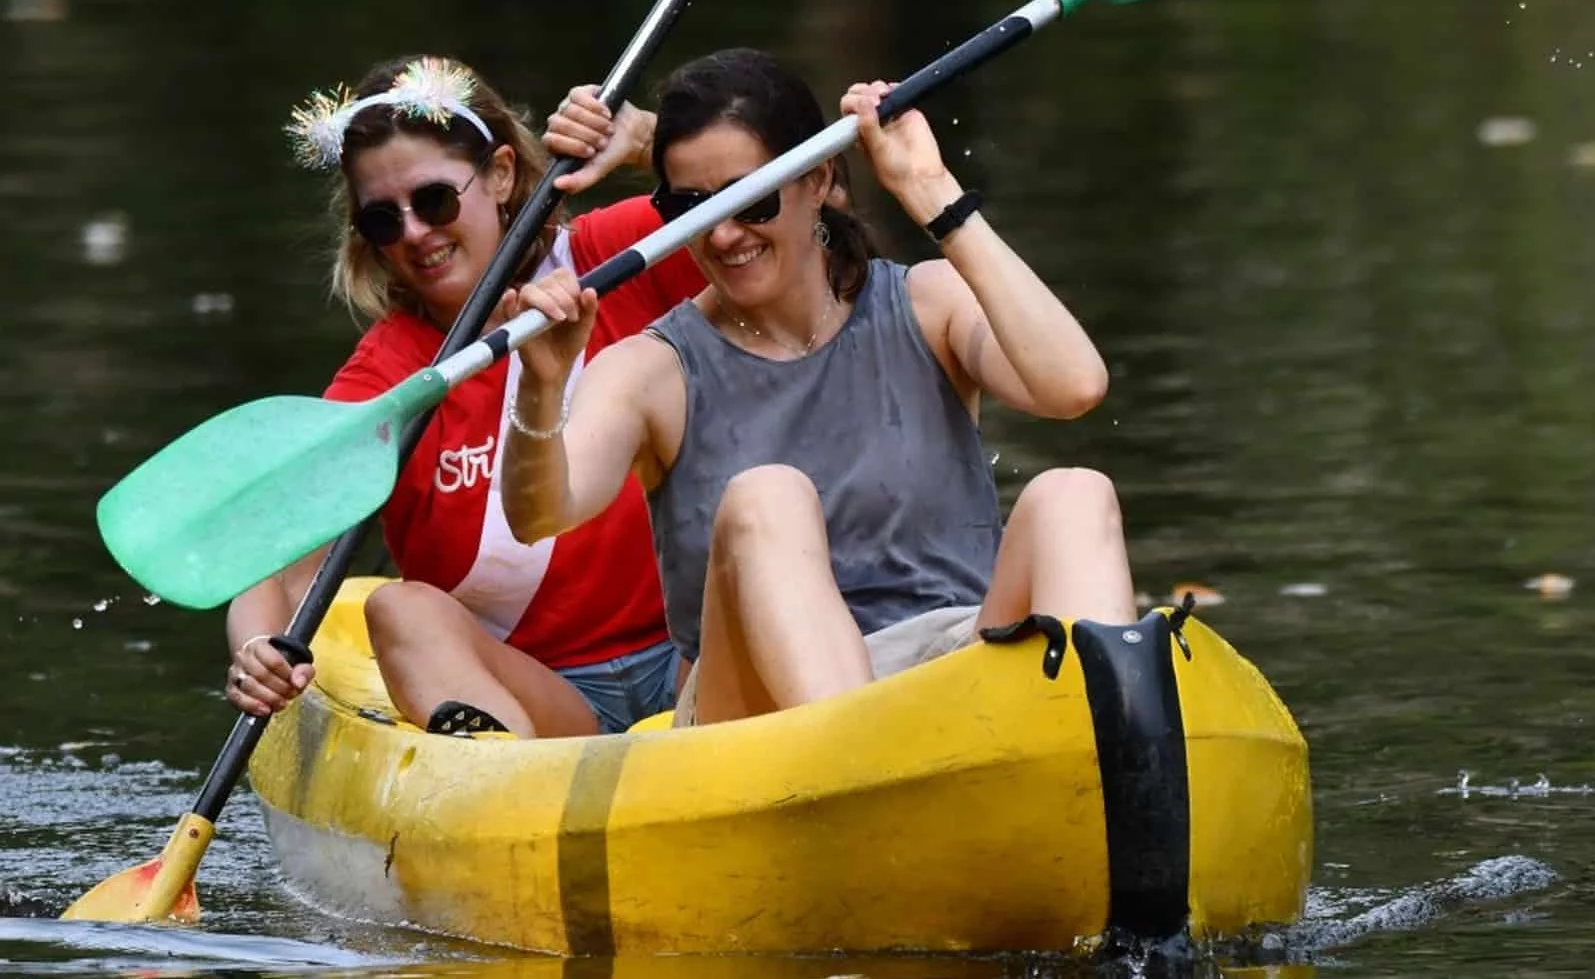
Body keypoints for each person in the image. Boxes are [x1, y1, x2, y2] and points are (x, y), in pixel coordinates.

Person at [499, 47, 1136, 727]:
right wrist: (542, 384)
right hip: (755, 714)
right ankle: (866, 762)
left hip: (951, 660)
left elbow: (1074, 385)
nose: (724, 233)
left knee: (1075, 494)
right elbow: (540, 515)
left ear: (818, 181)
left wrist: (932, 192)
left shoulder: (929, 305)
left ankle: (1115, 753)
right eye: (689, 208)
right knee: (767, 497)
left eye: (752, 200)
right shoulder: (650, 369)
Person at [223, 55, 707, 738]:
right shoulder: (386, 378)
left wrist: (646, 142)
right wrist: (256, 650)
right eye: (383, 221)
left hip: (696, 661)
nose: (415, 234)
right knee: (400, 609)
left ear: (501, 174)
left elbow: (796, 209)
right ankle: (503, 767)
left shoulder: (619, 254)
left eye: (434, 201)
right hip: (541, 696)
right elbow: (281, 569)